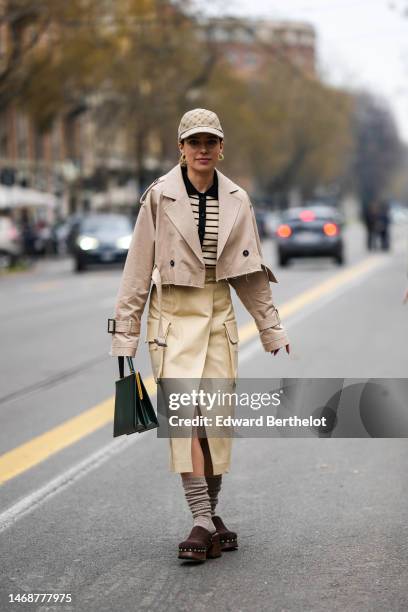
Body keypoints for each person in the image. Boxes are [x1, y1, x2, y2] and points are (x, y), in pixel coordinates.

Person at [108, 108, 290, 562]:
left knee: (215, 424)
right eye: (194, 142)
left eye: (211, 142)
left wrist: (271, 328)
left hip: (217, 316)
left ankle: (210, 514)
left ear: (221, 147)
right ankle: (202, 518)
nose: (203, 149)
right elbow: (136, 271)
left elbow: (249, 273)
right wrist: (125, 335)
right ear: (181, 148)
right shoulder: (159, 197)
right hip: (169, 317)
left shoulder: (238, 200)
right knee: (184, 420)